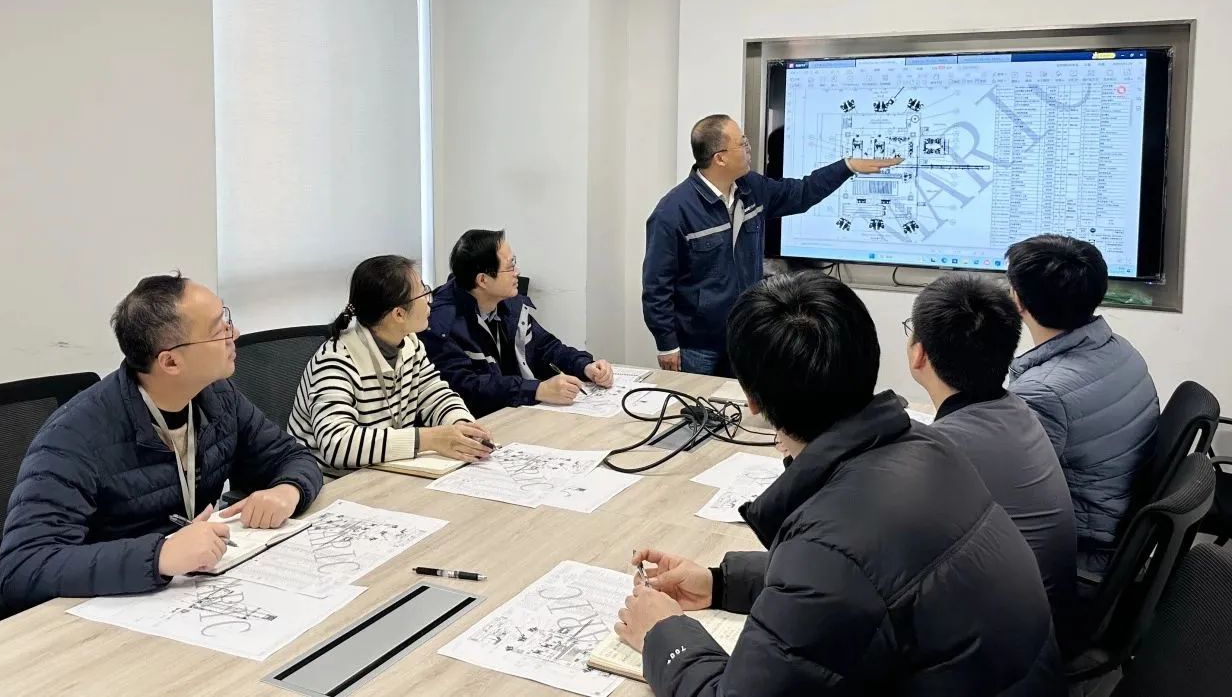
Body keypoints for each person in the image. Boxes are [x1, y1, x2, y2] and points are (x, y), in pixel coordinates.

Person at [617, 272, 1063, 697]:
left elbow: (837, 576)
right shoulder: (926, 445)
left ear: (750, 399)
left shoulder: (832, 549)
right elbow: (866, 583)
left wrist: (663, 633)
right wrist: (721, 583)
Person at [0, 274, 323, 608]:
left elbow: (291, 457)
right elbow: (22, 568)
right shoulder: (75, 436)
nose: (234, 334)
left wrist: (288, 490)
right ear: (170, 361)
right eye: (219, 330)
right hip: (111, 607)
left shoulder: (216, 397)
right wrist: (160, 555)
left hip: (195, 590)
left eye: (226, 320)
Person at [642, 114, 902, 376]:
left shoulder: (751, 188)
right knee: (696, 401)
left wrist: (847, 166)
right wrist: (667, 344)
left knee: (743, 401)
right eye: (742, 143)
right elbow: (657, 285)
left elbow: (802, 192)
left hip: (745, 336)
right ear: (720, 158)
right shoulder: (673, 212)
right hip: (697, 346)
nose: (749, 148)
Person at [906, 273, 1076, 615]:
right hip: (1042, 610)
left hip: (1007, 625)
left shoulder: (941, 450)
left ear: (919, 354)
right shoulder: (1017, 410)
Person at [1006, 234, 1159, 577]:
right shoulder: (1118, 348)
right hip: (1118, 525)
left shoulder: (1042, 392)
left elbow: (1010, 492)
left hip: (1082, 554)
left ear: (1017, 300)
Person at [288, 255, 493, 476]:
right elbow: (337, 445)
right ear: (399, 314)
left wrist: (462, 426)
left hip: (384, 473)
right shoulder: (335, 361)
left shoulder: (410, 344)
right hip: (334, 484)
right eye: (423, 292)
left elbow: (435, 395)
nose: (430, 299)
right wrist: (429, 438)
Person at [421, 229, 614, 418]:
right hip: (482, 422)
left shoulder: (508, 302)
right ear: (483, 280)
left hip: (517, 413)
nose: (517, 272)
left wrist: (585, 366)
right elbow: (467, 387)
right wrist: (538, 390)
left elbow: (545, 348)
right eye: (510, 266)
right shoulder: (441, 323)